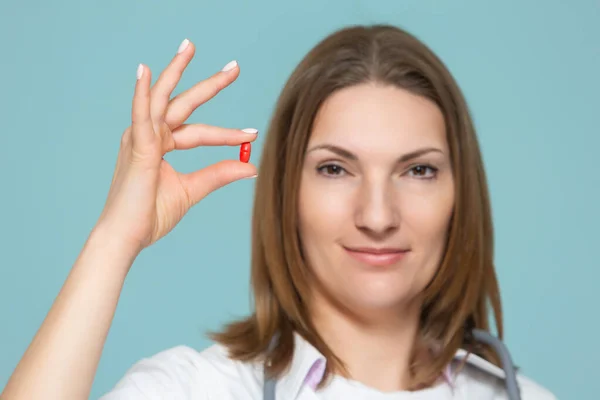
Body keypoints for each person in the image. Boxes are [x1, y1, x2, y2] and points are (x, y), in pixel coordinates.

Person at [0, 25, 557, 400]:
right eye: (335, 169)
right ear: (286, 191)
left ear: (462, 195)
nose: (378, 214)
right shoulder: (199, 389)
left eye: (418, 171)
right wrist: (114, 238)